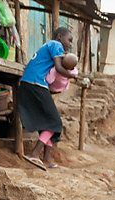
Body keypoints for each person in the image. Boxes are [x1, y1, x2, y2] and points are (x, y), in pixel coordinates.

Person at [18, 26, 74, 170]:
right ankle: (34, 154)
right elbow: (60, 68)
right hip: (35, 82)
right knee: (54, 122)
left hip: (29, 83)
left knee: (48, 122)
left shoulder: (48, 45)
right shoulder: (56, 45)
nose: (70, 43)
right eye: (69, 40)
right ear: (60, 36)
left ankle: (47, 159)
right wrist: (74, 77)